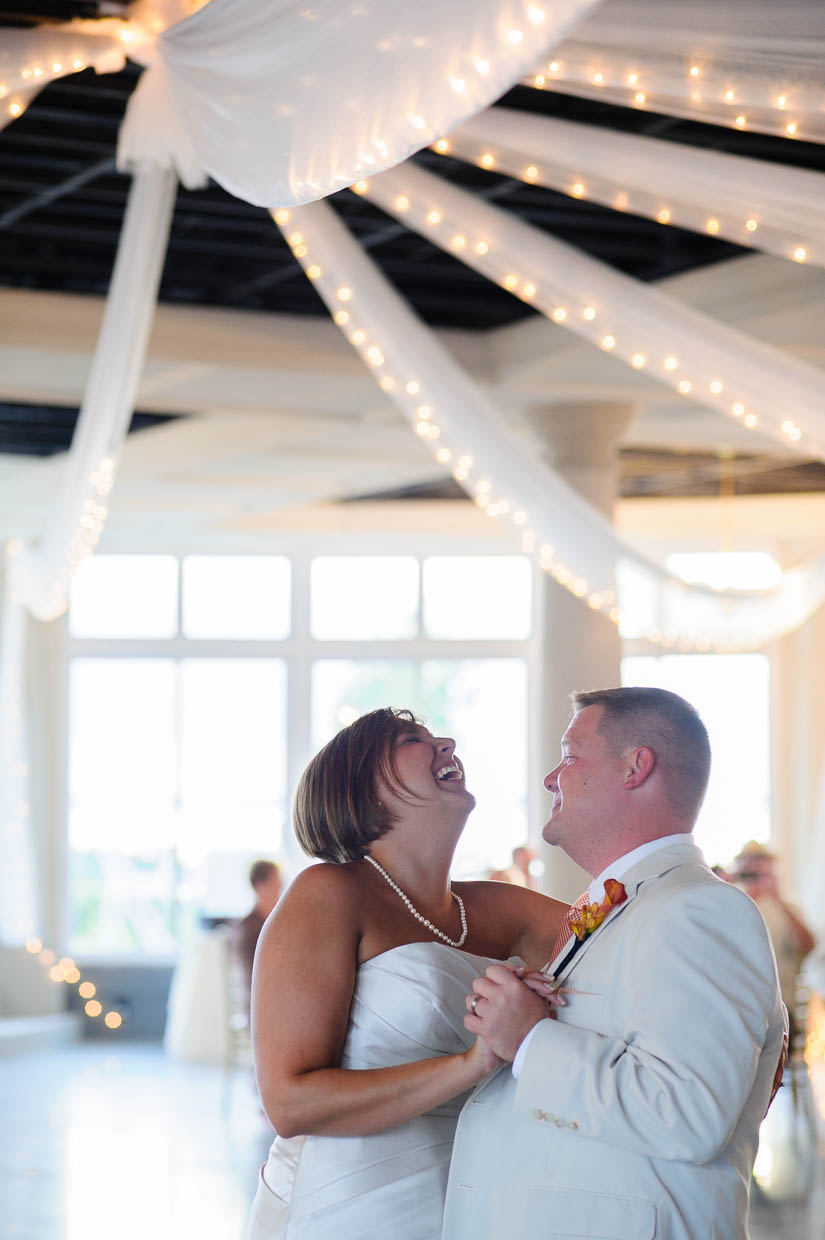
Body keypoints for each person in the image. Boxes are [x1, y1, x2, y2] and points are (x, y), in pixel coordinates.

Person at [445, 686, 786, 1240]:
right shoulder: (629, 904)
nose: (551, 778)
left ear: (635, 767)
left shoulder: (701, 909)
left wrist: (530, 1039)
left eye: (570, 754)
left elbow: (686, 1113)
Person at [247, 707, 567, 1239]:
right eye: (410, 740)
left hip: (463, 1198)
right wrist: (473, 1062)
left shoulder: (494, 908)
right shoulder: (328, 892)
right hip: (340, 1203)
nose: (446, 741)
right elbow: (289, 1103)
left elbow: (627, 936)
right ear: (364, 789)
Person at [731, 840, 815, 1051]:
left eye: (760, 861)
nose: (754, 868)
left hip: (781, 1010)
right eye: (747, 862)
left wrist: (776, 896)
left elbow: (810, 947)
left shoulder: (789, 908)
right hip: (738, 1007)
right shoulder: (731, 903)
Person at [234, 859, 283, 998]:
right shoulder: (248, 929)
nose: (279, 887)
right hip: (261, 1008)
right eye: (275, 882)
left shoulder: (273, 921)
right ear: (259, 885)